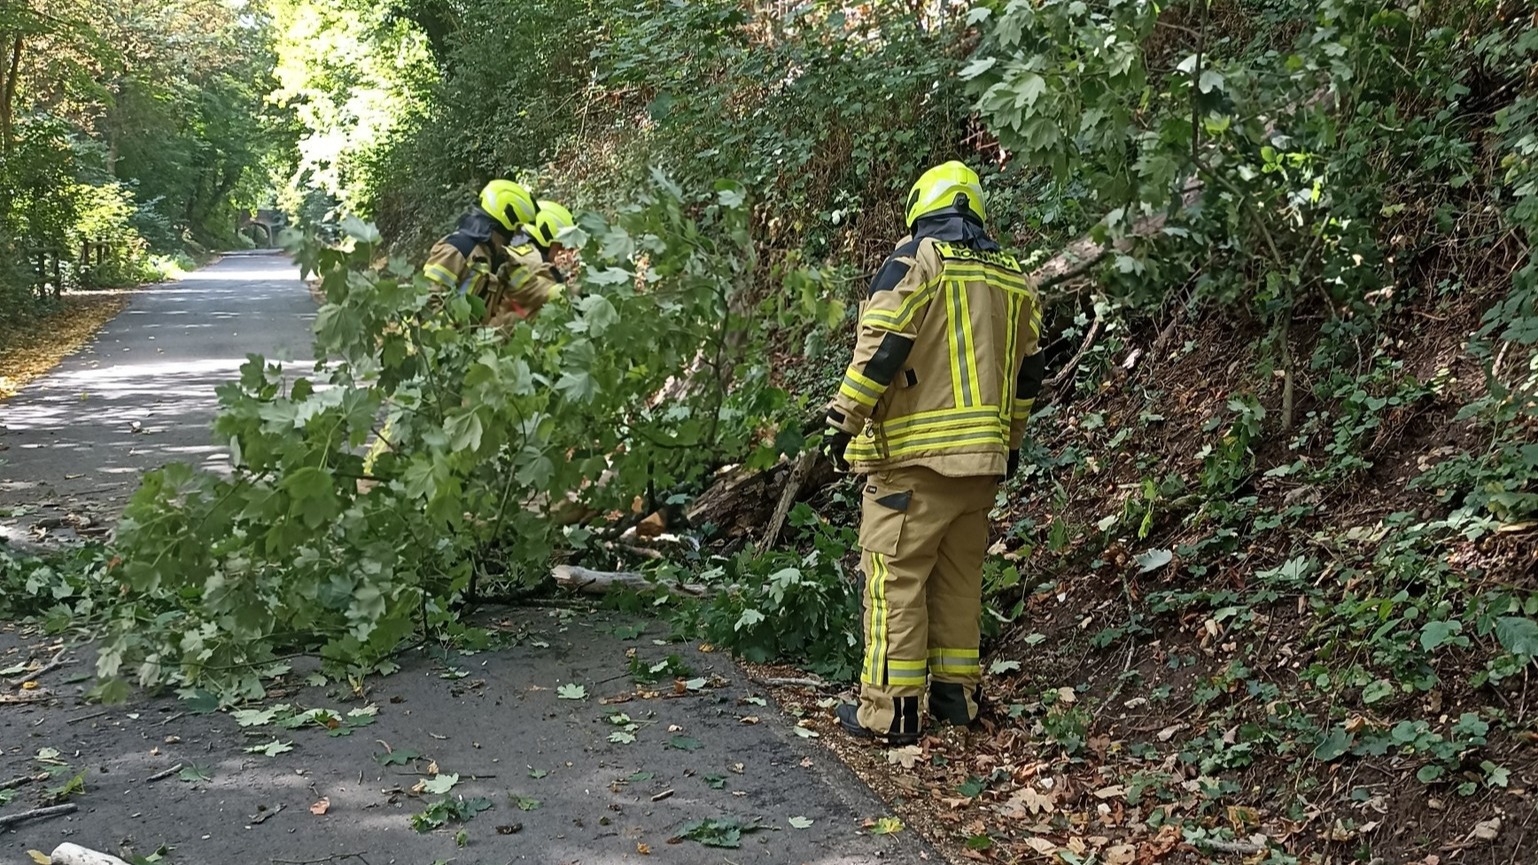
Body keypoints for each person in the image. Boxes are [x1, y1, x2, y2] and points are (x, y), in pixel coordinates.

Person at [822, 160, 1045, 745]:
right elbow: (1028, 374)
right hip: (982, 468)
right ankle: (956, 700)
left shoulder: (918, 260)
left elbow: (884, 344)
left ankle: (889, 713)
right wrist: (1011, 446)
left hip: (914, 466)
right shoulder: (1012, 277)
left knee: (892, 581)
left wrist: (843, 421)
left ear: (923, 206)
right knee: (958, 582)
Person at [483, 199, 575, 326]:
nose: (560, 253)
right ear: (546, 234)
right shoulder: (535, 260)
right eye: (559, 246)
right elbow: (552, 294)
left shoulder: (513, 251)